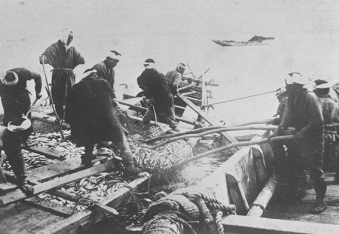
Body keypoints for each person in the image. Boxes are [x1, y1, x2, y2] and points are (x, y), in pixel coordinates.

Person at [64, 69, 140, 176]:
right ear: (94, 75)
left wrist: (72, 123)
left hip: (89, 123)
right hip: (109, 121)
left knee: (89, 142)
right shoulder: (105, 83)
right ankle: (131, 169)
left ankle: (87, 162)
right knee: (123, 144)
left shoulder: (75, 88)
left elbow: (70, 110)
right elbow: (114, 103)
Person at [270, 72, 327, 214]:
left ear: (297, 86)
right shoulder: (291, 98)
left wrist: (300, 134)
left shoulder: (310, 97)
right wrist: (279, 130)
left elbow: (317, 121)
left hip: (313, 138)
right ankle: (296, 192)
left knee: (315, 170)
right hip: (299, 136)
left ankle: (320, 201)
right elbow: (287, 119)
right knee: (295, 164)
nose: (286, 88)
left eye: (288, 86)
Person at [0, 68, 42, 193]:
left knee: (25, 121)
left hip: (22, 96)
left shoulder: (23, 72)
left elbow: (38, 75)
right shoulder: (1, 82)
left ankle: (23, 136)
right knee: (11, 122)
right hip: (8, 100)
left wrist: (38, 91)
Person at [39, 29, 85, 121]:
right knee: (58, 96)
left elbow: (80, 59)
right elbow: (46, 55)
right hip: (59, 76)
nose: (71, 40)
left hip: (69, 76)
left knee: (71, 95)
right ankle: (59, 117)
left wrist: (80, 59)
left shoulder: (72, 49)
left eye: (72, 38)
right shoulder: (54, 47)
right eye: (69, 37)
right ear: (65, 37)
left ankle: (69, 117)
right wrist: (44, 58)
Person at [137, 59, 179, 133]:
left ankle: (175, 129)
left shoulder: (159, 76)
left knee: (169, 113)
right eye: (146, 69)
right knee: (148, 113)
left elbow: (164, 91)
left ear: (153, 69)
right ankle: (145, 127)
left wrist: (153, 98)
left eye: (150, 70)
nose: (147, 71)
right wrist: (144, 87)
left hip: (165, 98)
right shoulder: (145, 72)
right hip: (155, 98)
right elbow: (139, 80)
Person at [313, 80, 339, 182]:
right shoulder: (336, 105)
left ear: (316, 92)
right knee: (336, 158)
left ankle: (318, 181)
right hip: (333, 135)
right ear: (328, 91)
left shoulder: (313, 105)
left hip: (318, 135)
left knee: (317, 159)